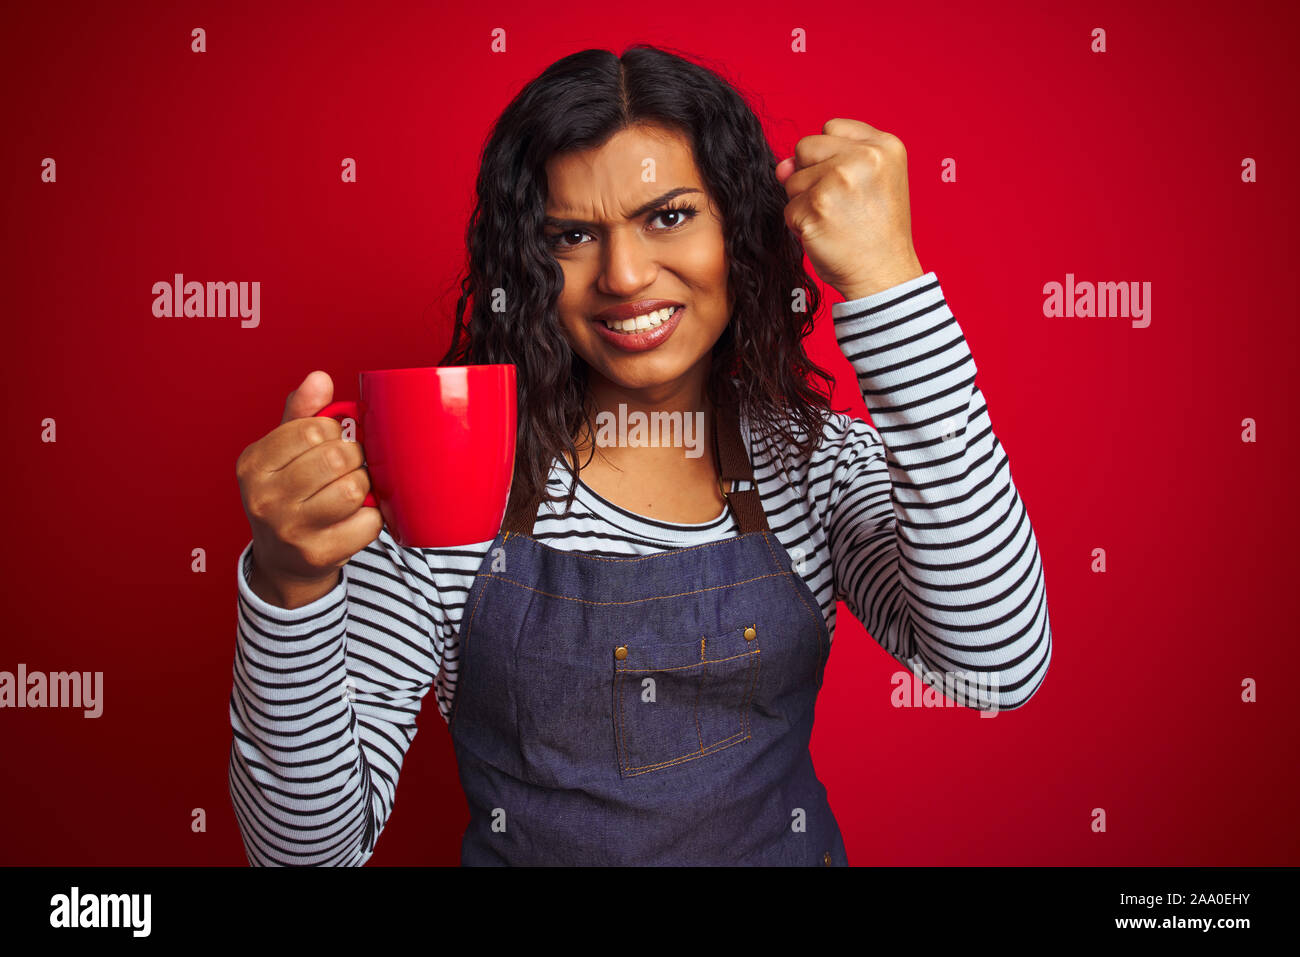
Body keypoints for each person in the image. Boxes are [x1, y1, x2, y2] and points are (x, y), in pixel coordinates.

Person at [229, 44, 1052, 866]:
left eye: (669, 215)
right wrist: (288, 588)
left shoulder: (814, 463)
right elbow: (304, 853)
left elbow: (998, 665)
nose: (623, 275)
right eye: (574, 234)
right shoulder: (447, 487)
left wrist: (887, 280)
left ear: (740, 225)